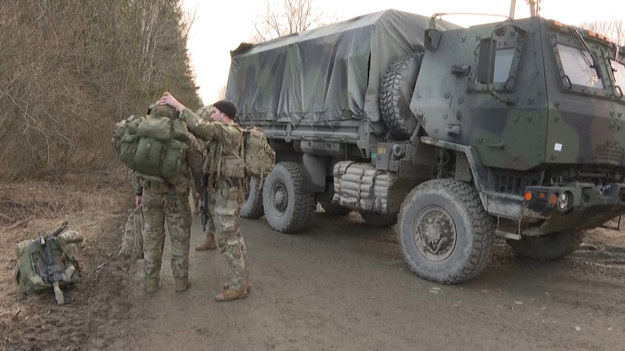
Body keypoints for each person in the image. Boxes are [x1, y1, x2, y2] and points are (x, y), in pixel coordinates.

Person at [157, 92, 250, 302]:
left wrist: (177, 104)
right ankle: (242, 280)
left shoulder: (229, 131)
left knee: (228, 239)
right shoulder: (228, 133)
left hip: (229, 194)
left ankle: (238, 286)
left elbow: (200, 126)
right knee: (234, 237)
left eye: (215, 111)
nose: (212, 114)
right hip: (228, 193)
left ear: (225, 115)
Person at [133, 104, 194, 294]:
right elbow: (196, 163)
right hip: (177, 195)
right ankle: (181, 282)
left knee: (151, 237)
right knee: (180, 238)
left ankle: (151, 283)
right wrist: (200, 189)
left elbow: (137, 166)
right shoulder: (182, 135)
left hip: (151, 193)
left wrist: (138, 193)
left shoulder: (144, 135)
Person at [194, 105, 218, 251]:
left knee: (216, 209)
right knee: (206, 207)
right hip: (208, 176)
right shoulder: (205, 137)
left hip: (218, 178)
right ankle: (210, 239)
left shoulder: (217, 134)